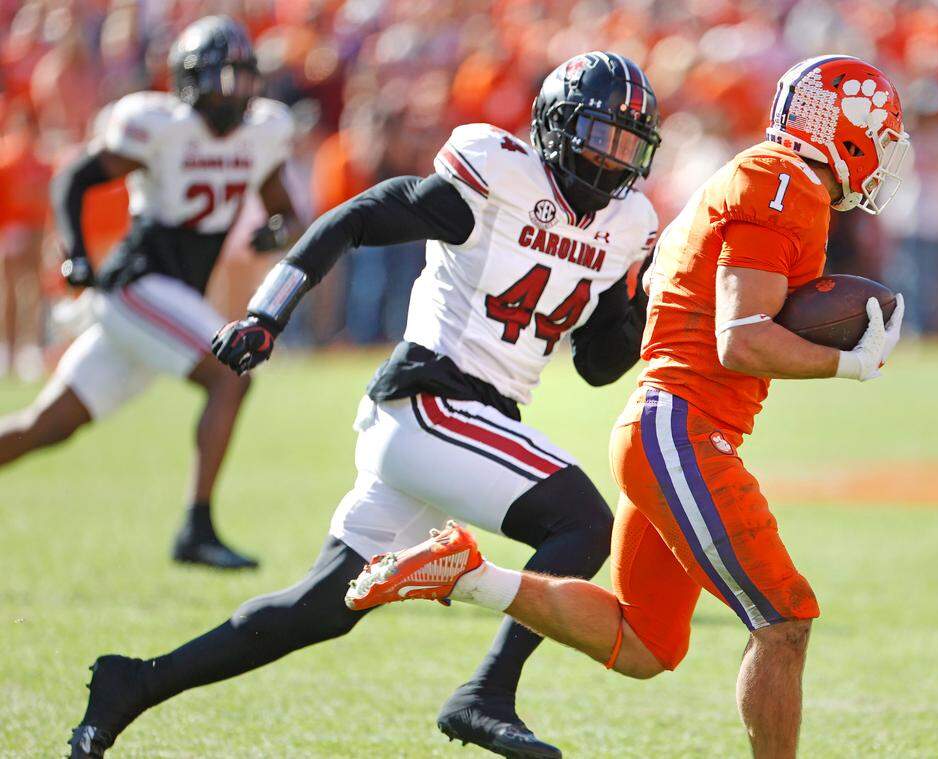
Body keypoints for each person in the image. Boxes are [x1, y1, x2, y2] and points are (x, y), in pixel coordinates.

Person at [69, 51, 661, 759]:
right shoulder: (499, 177)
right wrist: (267, 312)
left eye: (627, 144)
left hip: (465, 425)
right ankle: (487, 693)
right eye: (600, 135)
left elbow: (597, 364)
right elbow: (355, 218)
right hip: (433, 402)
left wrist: (646, 306)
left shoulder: (626, 224)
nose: (612, 158)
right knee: (583, 522)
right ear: (556, 126)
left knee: (320, 608)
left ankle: (133, 684)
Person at [345, 55, 909, 758]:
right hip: (684, 428)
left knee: (645, 643)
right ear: (845, 129)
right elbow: (741, 340)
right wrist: (848, 361)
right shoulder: (784, 182)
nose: (884, 153)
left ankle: (466, 571)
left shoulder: (768, 177)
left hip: (666, 425)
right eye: (880, 134)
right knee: (785, 617)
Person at [0, 16, 297, 569]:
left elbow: (285, 208)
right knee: (232, 374)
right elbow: (74, 178)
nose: (233, 93)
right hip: (138, 285)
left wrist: (275, 231)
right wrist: (76, 252)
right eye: (221, 79)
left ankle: (196, 530)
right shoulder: (163, 126)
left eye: (241, 78)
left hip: (168, 300)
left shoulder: (263, 130)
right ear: (189, 82)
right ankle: (196, 528)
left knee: (47, 426)